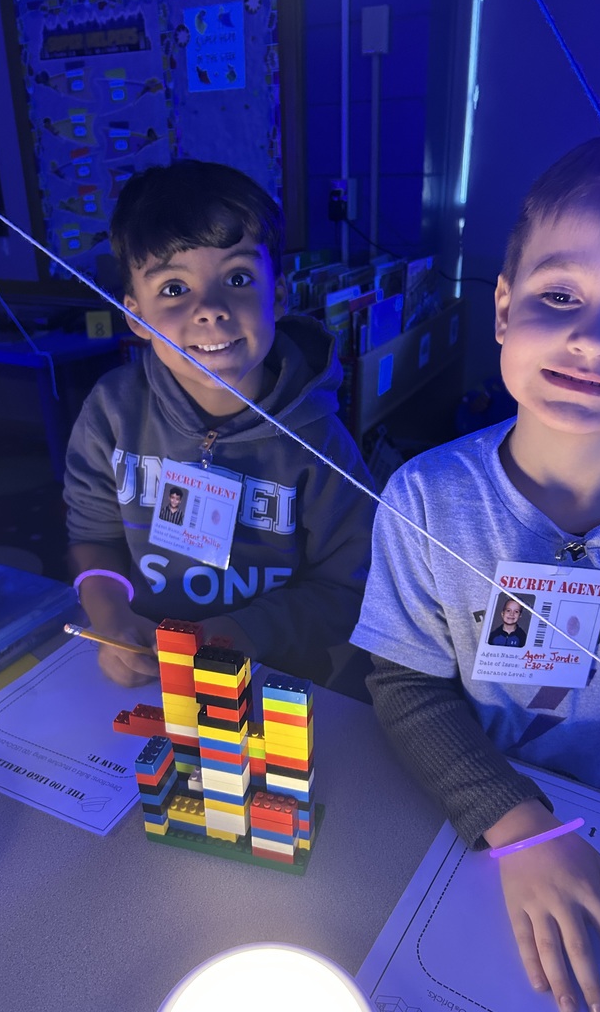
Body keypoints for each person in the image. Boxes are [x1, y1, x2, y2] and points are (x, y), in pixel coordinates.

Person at [351, 106, 600, 1011]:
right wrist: (519, 827)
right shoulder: (423, 497)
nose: (596, 339)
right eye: (561, 297)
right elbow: (407, 684)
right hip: (468, 830)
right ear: (502, 308)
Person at [65, 160, 373, 690]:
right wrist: (110, 614)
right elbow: (93, 534)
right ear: (135, 316)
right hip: (149, 669)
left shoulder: (321, 443)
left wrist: (239, 633)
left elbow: (352, 585)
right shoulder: (110, 412)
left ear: (277, 295)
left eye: (237, 278)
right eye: (173, 289)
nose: (210, 309)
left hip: (277, 676)